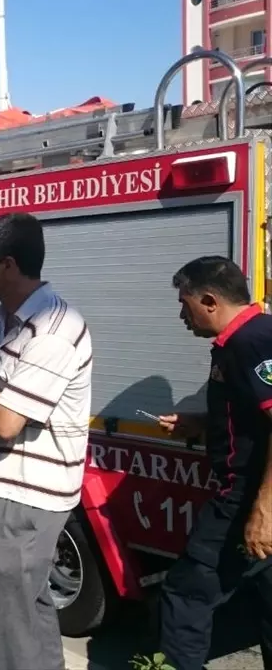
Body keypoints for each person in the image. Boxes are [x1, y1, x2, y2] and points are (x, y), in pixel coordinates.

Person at [0, 212, 93, 670]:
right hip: (9, 485)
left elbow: (7, 424)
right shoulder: (4, 320)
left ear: (8, 265)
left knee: (9, 613)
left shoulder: (53, 328)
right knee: (31, 605)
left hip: (30, 493)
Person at [154, 255, 272, 670]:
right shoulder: (244, 340)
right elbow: (253, 415)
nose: (181, 315)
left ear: (208, 301)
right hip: (249, 495)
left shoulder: (252, 342)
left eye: (184, 304)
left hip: (242, 498)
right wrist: (202, 424)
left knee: (186, 594)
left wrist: (264, 509)